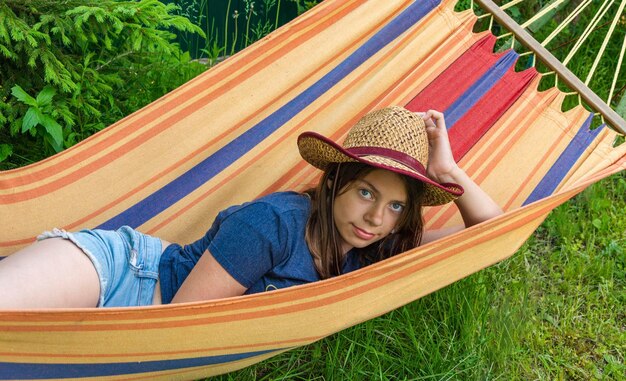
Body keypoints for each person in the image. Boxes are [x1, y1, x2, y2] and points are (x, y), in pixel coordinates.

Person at [0, 106, 502, 309]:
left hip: (149, 313)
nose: (376, 218)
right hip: (122, 273)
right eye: (366, 192)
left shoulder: (375, 246)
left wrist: (450, 174)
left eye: (395, 206)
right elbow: (181, 323)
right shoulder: (273, 225)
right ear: (334, 183)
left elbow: (491, 234)